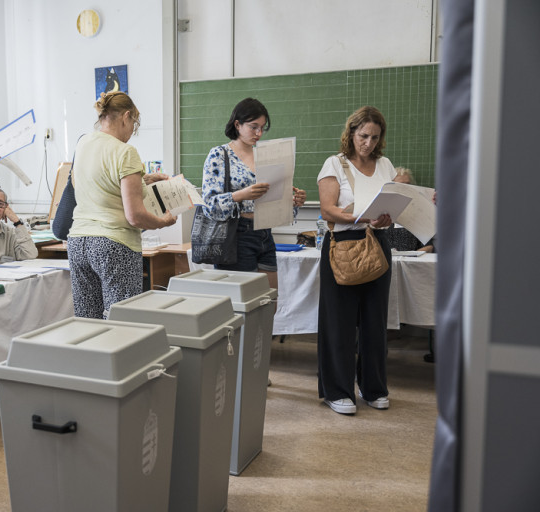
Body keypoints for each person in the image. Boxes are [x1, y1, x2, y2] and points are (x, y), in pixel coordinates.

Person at [67, 91, 176, 318]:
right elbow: (135, 216)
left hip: (78, 243)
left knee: (88, 320)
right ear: (126, 116)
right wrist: (163, 222)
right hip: (113, 245)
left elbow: (99, 185)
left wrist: (143, 181)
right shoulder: (125, 152)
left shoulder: (83, 144)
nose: (131, 132)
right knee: (122, 321)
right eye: (134, 124)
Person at [316, 105, 395, 415]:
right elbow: (327, 210)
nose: (369, 143)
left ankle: (374, 388)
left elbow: (388, 210)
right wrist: (360, 218)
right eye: (363, 136)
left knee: (376, 321)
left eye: (375, 137)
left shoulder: (386, 165)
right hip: (343, 246)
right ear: (351, 133)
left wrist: (384, 219)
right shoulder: (334, 164)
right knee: (340, 322)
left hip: (378, 243)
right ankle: (337, 390)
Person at [200, 98, 306, 289]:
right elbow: (209, 205)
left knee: (269, 303)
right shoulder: (219, 155)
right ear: (237, 124)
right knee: (243, 307)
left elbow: (273, 202)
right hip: (236, 235)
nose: (258, 133)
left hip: (265, 234)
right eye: (253, 127)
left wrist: (292, 202)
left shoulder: (265, 156)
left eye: (262, 128)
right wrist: (241, 194)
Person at [386, 167, 435, 253]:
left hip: (413, 263)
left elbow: (429, 247)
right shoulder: (381, 213)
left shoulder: (420, 214)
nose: (405, 189)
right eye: (400, 185)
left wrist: (410, 258)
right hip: (386, 262)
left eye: (408, 185)